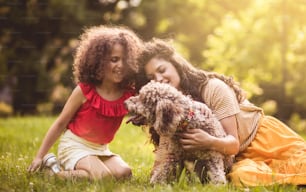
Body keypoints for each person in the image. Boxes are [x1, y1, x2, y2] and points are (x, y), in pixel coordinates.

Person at [134, 38, 306, 186]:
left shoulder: (212, 87)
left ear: (176, 65)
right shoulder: (170, 107)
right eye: (152, 78)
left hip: (264, 140)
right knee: (241, 177)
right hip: (236, 157)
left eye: (162, 70)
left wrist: (208, 141)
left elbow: (233, 144)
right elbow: (166, 156)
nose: (159, 79)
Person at [27, 25, 143, 180]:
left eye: (125, 60)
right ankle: (51, 174)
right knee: (105, 178)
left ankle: (58, 171)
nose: (120, 65)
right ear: (99, 62)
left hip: (101, 149)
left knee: (124, 173)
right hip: (74, 145)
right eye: (114, 60)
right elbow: (60, 123)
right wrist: (38, 157)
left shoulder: (128, 92)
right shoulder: (84, 90)